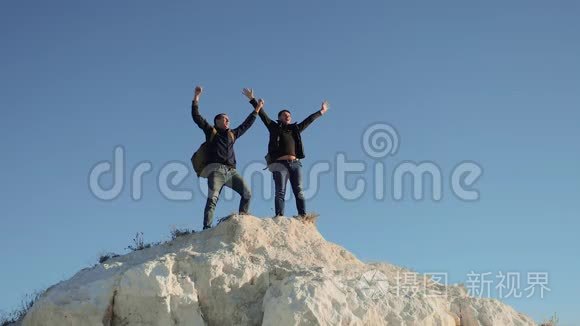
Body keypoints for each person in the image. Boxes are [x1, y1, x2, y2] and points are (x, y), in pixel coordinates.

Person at [242, 88, 328, 217]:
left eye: (289, 115)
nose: (287, 116)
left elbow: (309, 120)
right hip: (279, 164)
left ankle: (303, 216)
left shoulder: (296, 129)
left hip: (295, 164)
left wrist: (321, 111)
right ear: (279, 118)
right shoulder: (274, 127)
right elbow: (263, 116)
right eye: (284, 115)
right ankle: (279, 216)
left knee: (298, 191)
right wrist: (252, 99)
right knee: (280, 192)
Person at [191, 85, 264, 229]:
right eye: (225, 119)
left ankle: (242, 220)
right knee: (212, 199)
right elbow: (196, 117)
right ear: (217, 121)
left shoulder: (232, 134)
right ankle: (207, 228)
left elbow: (246, 124)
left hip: (231, 171)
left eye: (228, 119)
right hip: (216, 170)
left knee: (247, 193)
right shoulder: (211, 131)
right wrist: (196, 97)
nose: (228, 121)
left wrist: (257, 108)